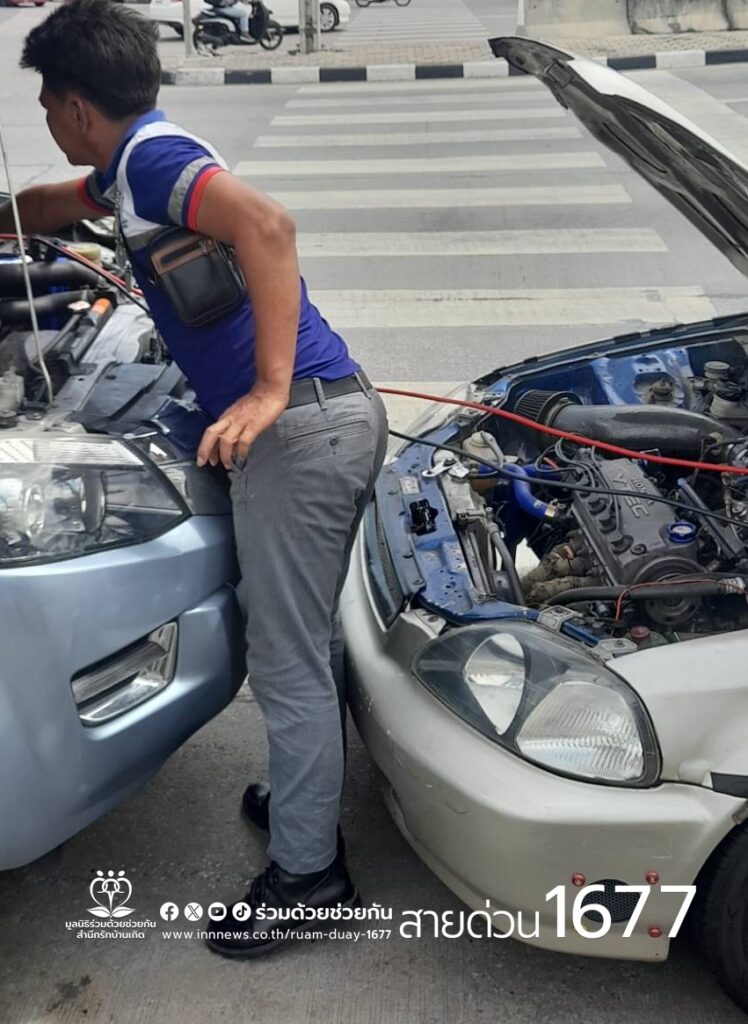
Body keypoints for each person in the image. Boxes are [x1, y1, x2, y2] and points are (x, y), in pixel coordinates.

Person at [0, 0, 388, 958]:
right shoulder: (133, 161)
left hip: (301, 430)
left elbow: (269, 226)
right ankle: (305, 804)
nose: (47, 120)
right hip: (322, 422)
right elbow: (51, 206)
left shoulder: (156, 164)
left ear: (78, 106)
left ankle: (310, 878)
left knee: (285, 658)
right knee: (294, 634)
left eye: (48, 105)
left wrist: (266, 390)